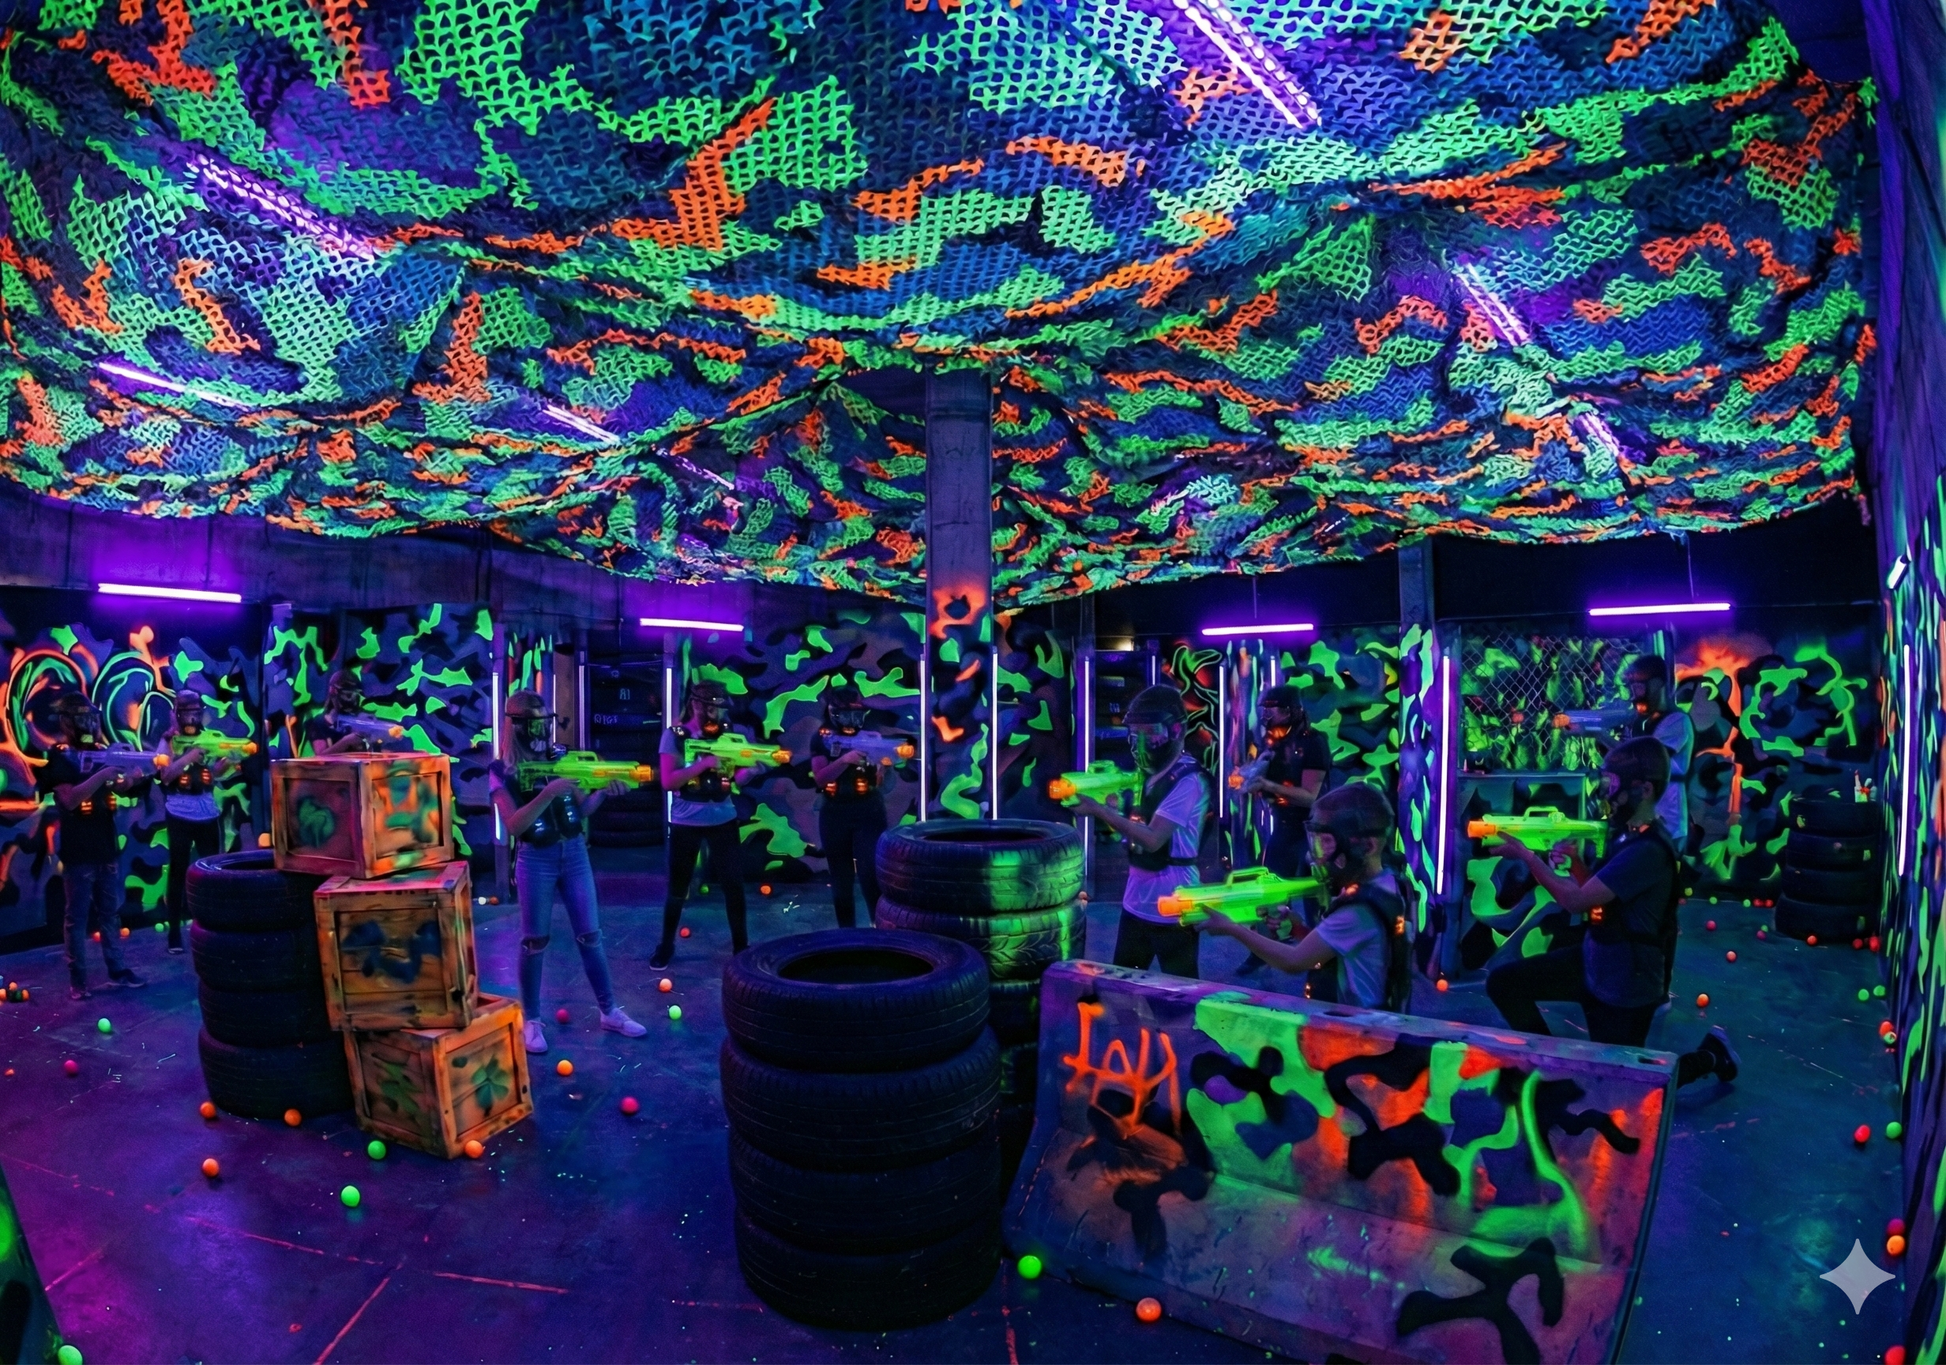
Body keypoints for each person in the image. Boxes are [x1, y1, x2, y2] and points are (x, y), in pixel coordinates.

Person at [1482, 737, 1738, 1087]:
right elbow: (1598, 896)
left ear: (1644, 790)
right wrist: (1574, 864)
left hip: (1626, 983)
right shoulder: (1628, 835)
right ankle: (1552, 1068)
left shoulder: (1647, 850)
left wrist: (1528, 857)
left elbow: (1576, 902)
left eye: (1613, 785)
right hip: (1597, 960)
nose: (1607, 794)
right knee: (1504, 983)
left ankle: (1711, 1056)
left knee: (1627, 1089)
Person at [486, 690, 647, 1054]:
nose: (543, 730)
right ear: (517, 726)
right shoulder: (501, 770)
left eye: (546, 721)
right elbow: (513, 825)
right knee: (534, 942)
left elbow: (582, 810)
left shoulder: (560, 758)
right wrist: (547, 793)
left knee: (591, 936)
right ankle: (531, 1020)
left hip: (574, 853)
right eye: (535, 723)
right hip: (535, 858)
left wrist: (603, 790)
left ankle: (609, 1011)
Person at [1197, 783, 1406, 1010]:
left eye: (1327, 842)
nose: (1315, 854)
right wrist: (1297, 928)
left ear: (1368, 846)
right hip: (1374, 1017)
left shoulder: (1358, 910)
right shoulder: (1387, 884)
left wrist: (1232, 928)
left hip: (1358, 1024)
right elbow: (1333, 950)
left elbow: (1294, 961)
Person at [1070, 685, 1209, 979]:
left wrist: (1100, 811)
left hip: (1175, 903)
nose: (1141, 741)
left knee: (1180, 993)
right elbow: (1135, 832)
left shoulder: (1188, 780)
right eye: (1135, 734)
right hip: (1136, 901)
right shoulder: (1146, 776)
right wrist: (1112, 810)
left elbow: (1153, 838)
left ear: (1176, 730)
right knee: (1123, 985)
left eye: (1150, 732)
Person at [38, 694, 149, 999]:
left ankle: (118, 971)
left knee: (110, 915)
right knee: (77, 919)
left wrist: (132, 777)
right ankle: (78, 981)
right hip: (79, 851)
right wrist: (104, 774)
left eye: (90, 718)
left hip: (105, 847)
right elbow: (70, 799)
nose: (88, 725)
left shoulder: (100, 752)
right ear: (68, 722)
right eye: (82, 719)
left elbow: (120, 787)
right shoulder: (61, 757)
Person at [654, 680, 770, 968]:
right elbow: (668, 781)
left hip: (723, 818)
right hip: (685, 820)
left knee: (733, 886)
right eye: (710, 708)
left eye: (719, 709)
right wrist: (703, 764)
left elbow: (735, 780)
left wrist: (752, 770)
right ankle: (666, 946)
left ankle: (741, 948)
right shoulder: (676, 736)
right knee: (678, 888)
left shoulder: (728, 735)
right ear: (695, 705)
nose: (716, 715)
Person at [1236, 683, 1330, 975]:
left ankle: (1321, 958)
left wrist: (1267, 785)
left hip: (1314, 831)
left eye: (1272, 709)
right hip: (1285, 827)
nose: (1266, 715)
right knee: (1270, 893)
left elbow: (1310, 796)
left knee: (1315, 896)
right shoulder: (1273, 741)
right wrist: (1251, 778)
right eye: (1264, 709)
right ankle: (1263, 951)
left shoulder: (1314, 742)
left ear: (1291, 711)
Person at [1563, 655, 1692, 846]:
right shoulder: (1640, 722)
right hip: (1641, 818)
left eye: (1639, 686)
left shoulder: (1677, 721)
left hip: (1668, 821)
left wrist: (1598, 733)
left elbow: (1647, 759)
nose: (1634, 693)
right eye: (1632, 687)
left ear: (1657, 684)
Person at [154, 685, 238, 955]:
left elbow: (213, 774)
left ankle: (214, 927)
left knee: (212, 872)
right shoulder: (168, 741)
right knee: (178, 872)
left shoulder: (209, 738)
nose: (192, 718)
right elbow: (166, 775)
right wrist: (189, 757)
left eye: (196, 713)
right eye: (187, 713)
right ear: (177, 714)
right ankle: (174, 932)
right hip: (179, 811)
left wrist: (225, 765)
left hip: (207, 811)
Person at [809, 684, 894, 928]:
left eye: (856, 712)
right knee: (841, 878)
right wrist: (845, 760)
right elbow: (820, 779)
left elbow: (882, 781)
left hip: (868, 808)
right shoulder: (822, 737)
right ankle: (846, 935)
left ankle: (880, 932)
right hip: (835, 810)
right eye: (846, 712)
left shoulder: (870, 736)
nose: (852, 719)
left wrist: (882, 765)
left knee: (871, 874)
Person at [306, 668, 395, 756]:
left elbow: (373, 750)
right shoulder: (319, 723)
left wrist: (379, 743)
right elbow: (321, 758)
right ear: (333, 691)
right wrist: (347, 741)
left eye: (356, 695)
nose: (352, 700)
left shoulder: (362, 718)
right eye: (348, 694)